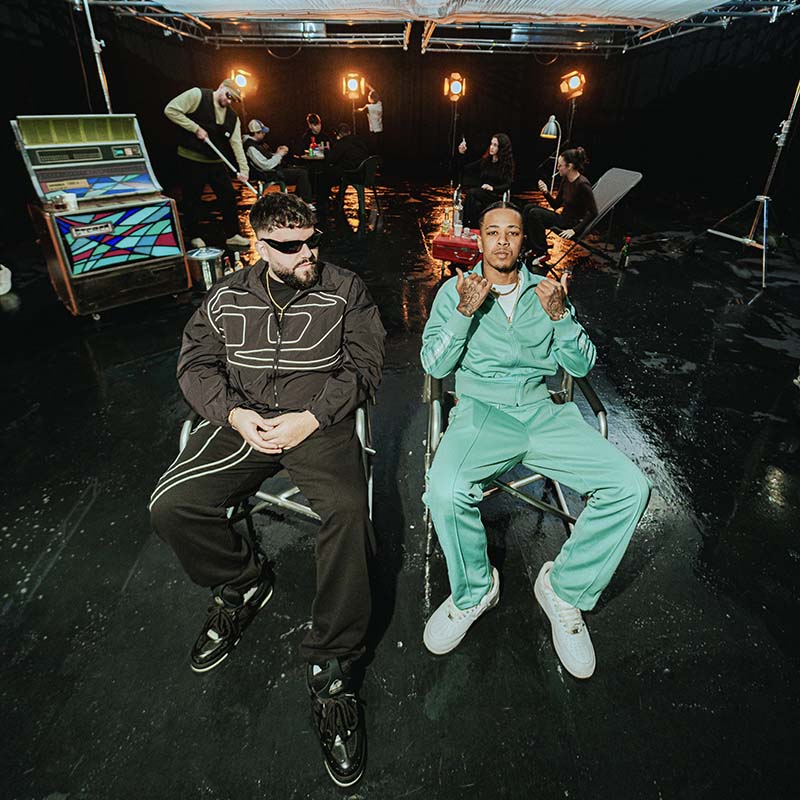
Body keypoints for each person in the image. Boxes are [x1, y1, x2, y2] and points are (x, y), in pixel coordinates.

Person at [149, 192, 385, 787]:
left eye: (313, 239)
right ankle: (242, 582)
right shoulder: (226, 296)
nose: (308, 253)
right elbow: (195, 365)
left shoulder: (346, 289)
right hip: (245, 420)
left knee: (350, 514)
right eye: (291, 245)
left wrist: (313, 416)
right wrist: (233, 414)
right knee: (171, 506)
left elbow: (365, 364)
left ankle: (334, 664)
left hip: (316, 424)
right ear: (260, 246)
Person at [420, 201, 651, 680]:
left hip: (542, 410)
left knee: (631, 487)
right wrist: (463, 312)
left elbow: (582, 366)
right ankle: (474, 591)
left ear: (523, 240)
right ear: (479, 239)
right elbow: (435, 366)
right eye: (493, 232)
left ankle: (564, 591)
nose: (502, 241)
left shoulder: (547, 290)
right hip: (482, 411)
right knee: (444, 489)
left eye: (512, 232)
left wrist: (561, 316)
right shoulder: (455, 290)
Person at [164, 78, 251, 248]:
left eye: (233, 99)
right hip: (192, 158)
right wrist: (195, 128)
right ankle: (194, 235)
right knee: (192, 198)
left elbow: (237, 144)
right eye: (228, 95)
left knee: (228, 196)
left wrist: (244, 170)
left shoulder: (233, 118)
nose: (229, 101)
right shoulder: (197, 95)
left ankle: (232, 234)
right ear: (221, 86)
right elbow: (171, 110)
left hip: (215, 161)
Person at [523, 146, 598, 265]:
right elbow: (556, 205)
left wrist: (574, 230)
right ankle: (532, 247)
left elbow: (593, 212)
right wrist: (546, 192)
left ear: (570, 166)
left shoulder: (583, 184)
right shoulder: (566, 179)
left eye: (560, 165)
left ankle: (542, 252)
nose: (557, 168)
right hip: (562, 218)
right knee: (528, 208)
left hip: (572, 224)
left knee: (535, 214)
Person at [243, 119, 314, 206]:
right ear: (256, 133)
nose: (264, 134)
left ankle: (297, 200)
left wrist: (277, 153)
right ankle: (307, 202)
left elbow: (266, 158)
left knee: (305, 169)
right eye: (262, 132)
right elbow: (265, 165)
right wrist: (279, 155)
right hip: (269, 173)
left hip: (273, 170)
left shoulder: (256, 143)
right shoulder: (251, 147)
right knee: (302, 173)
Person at [457, 133, 515, 228]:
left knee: (471, 193)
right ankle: (472, 228)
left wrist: (493, 188)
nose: (491, 147)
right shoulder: (486, 161)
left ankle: (467, 226)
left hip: (495, 196)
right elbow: (465, 168)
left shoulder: (506, 165)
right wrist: (461, 154)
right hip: (481, 195)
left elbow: (508, 184)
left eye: (495, 145)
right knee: (475, 203)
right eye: (491, 144)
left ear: (502, 148)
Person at [316, 123, 370, 222]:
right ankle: (338, 199)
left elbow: (332, 159)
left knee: (325, 174)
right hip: (365, 174)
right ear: (349, 132)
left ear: (339, 134)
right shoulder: (360, 141)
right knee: (337, 172)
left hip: (351, 174)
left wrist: (326, 151)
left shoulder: (342, 143)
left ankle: (323, 202)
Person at [357, 87, 383, 154]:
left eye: (368, 96)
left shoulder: (369, 107)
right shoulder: (379, 104)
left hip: (373, 130)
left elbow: (360, 111)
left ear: (371, 98)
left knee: (374, 146)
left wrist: (355, 110)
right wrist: (368, 86)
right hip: (380, 129)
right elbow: (374, 92)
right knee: (379, 146)